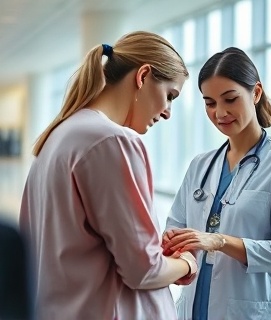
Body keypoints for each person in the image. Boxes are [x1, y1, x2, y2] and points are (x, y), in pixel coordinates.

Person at [19, 31, 198, 320]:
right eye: (169, 95)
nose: (167, 113)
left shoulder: (56, 138)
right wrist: (187, 262)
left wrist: (149, 246)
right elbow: (144, 270)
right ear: (143, 76)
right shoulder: (111, 142)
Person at [162, 47, 271, 320]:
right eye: (210, 103)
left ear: (255, 93)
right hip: (193, 306)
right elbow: (176, 225)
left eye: (230, 99)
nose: (220, 113)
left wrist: (218, 241)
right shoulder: (200, 165)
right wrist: (174, 240)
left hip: (246, 309)